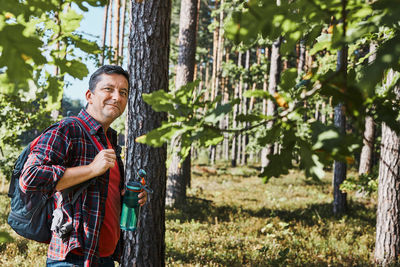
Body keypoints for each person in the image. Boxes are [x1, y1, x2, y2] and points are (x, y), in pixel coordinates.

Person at [20, 65, 147, 266]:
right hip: (73, 258)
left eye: (123, 92)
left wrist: (126, 198)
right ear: (89, 96)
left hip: (105, 257)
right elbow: (30, 178)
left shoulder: (110, 140)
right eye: (108, 89)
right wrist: (91, 169)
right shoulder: (67, 129)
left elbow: (98, 194)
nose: (117, 97)